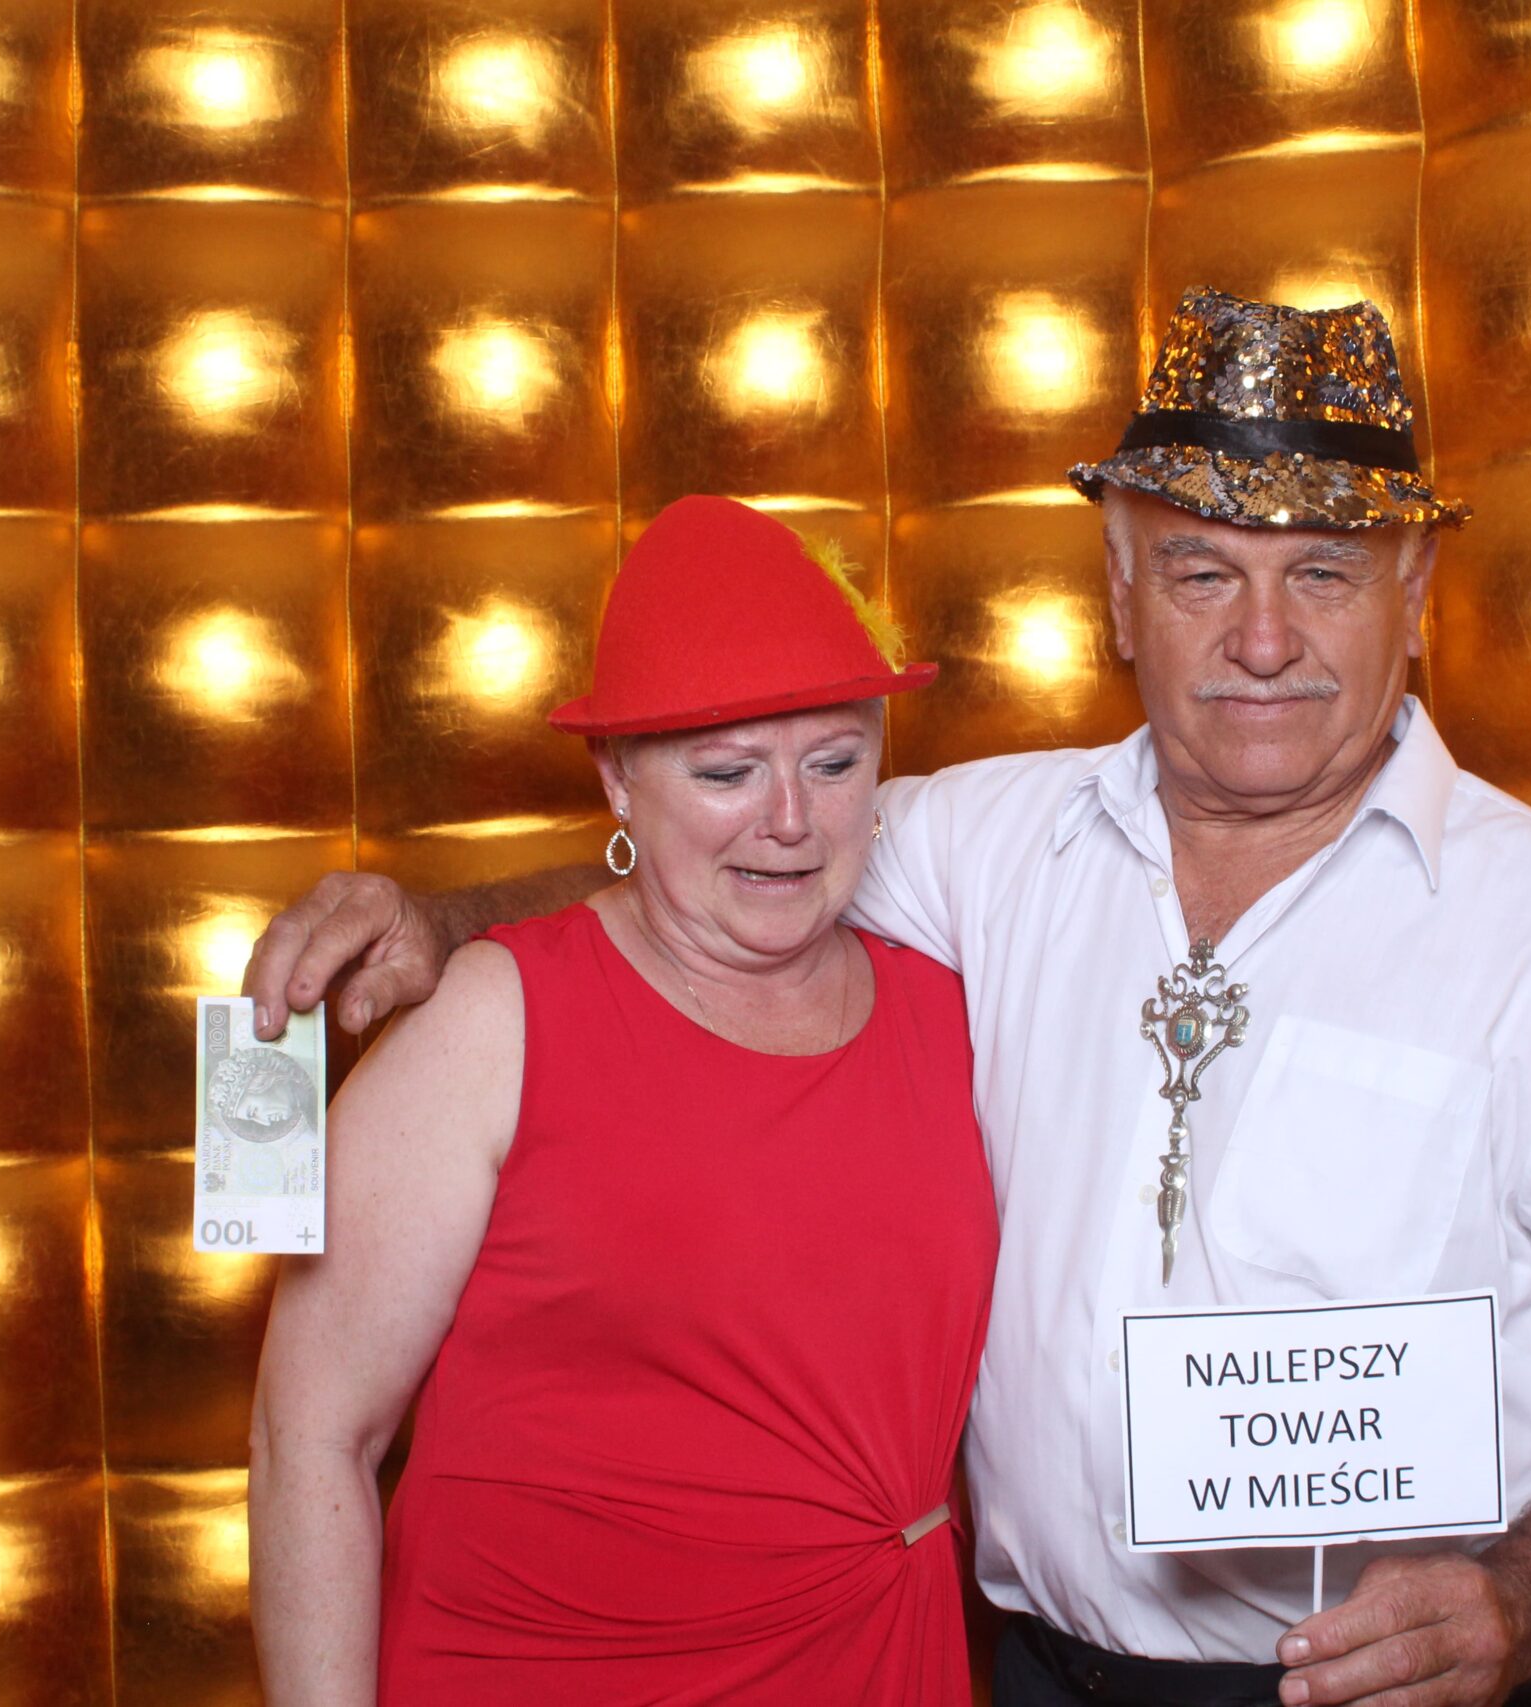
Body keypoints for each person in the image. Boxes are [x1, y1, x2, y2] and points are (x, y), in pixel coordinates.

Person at [247, 291, 1531, 1707]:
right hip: (1033, 1673)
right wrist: (440, 920)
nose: (1262, 637)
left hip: (1397, 1689)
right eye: (1201, 571)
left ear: (1414, 597)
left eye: (1323, 574)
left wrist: (1516, 1605)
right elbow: (717, 864)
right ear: (1122, 595)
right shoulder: (994, 841)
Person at [247, 495, 998, 1704]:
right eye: (726, 771)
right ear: (616, 780)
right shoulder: (494, 1021)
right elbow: (312, 1436)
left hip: (873, 1662)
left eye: (833, 761)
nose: (790, 820)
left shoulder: (954, 1008)